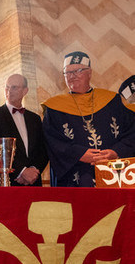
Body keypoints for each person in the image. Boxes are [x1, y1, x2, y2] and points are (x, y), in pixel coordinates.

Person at [42, 51, 135, 187]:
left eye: (78, 71)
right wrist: (79, 154)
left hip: (113, 173)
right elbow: (53, 142)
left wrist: (115, 152)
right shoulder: (54, 108)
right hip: (76, 176)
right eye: (67, 72)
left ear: (90, 72)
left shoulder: (112, 100)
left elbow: (131, 132)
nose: (72, 76)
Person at [0, 74, 48, 186]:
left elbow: (43, 149)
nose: (9, 91)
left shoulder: (35, 118)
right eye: (7, 87)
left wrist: (34, 171)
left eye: (14, 87)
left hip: (33, 182)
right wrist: (22, 171)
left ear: (25, 91)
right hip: (7, 182)